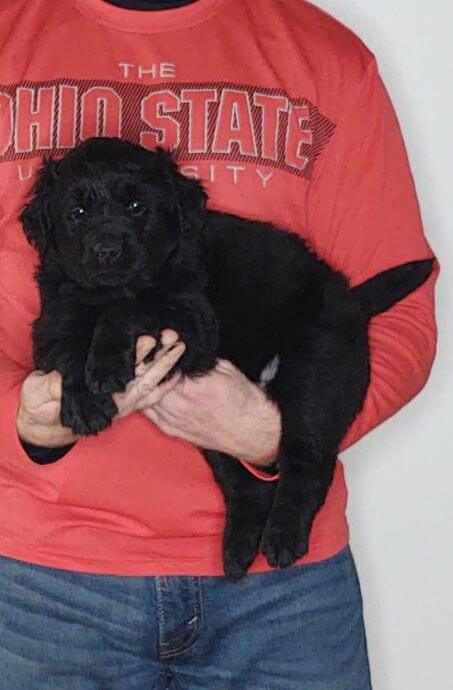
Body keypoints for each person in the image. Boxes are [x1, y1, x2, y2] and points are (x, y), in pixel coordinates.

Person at [0, 0, 438, 687]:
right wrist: (19, 424)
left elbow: (396, 320)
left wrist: (278, 435)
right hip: (39, 584)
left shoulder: (324, 56)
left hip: (283, 593)